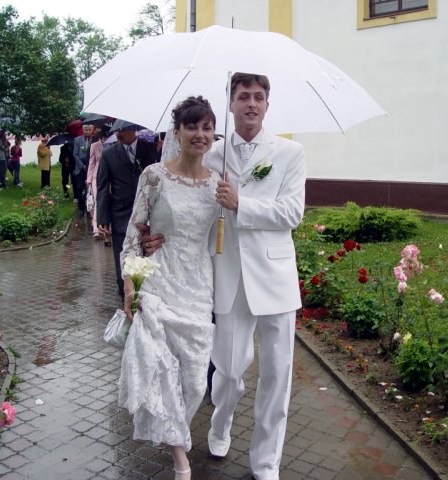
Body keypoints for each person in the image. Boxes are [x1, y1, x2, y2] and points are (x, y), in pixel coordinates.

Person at [142, 73, 306, 480]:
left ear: (267, 105)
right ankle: (220, 423)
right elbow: (183, 202)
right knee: (229, 372)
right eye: (243, 96)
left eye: (259, 97)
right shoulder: (211, 153)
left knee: (277, 376)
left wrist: (241, 204)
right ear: (230, 104)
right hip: (226, 276)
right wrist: (155, 236)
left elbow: (292, 213)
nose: (251, 104)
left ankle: (266, 462)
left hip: (275, 279)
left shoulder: (290, 153)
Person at [118, 96, 220, 480]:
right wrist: (130, 287)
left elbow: (223, 241)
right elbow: (134, 236)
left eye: (207, 127)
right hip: (159, 278)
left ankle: (174, 431)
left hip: (198, 286)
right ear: (176, 132)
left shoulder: (218, 184)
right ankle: (181, 458)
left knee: (194, 378)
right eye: (192, 127)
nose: (200, 134)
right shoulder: (154, 176)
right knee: (160, 367)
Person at [96, 121, 158, 299]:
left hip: (147, 214)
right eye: (116, 130)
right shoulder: (108, 154)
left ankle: (144, 295)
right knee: (124, 262)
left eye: (122, 130)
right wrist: (102, 218)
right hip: (120, 214)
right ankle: (125, 296)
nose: (118, 134)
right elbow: (102, 186)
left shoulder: (149, 149)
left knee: (145, 259)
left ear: (133, 130)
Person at [86, 127, 109, 242]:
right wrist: (89, 179)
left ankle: (105, 227)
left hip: (108, 177)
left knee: (105, 200)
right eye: (104, 137)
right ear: (101, 137)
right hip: (96, 176)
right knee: (97, 200)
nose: (106, 140)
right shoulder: (94, 146)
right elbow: (91, 162)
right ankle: (96, 228)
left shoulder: (111, 145)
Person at [73, 124, 93, 212]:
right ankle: (81, 208)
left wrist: (88, 166)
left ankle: (89, 209)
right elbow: (75, 154)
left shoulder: (94, 140)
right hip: (80, 168)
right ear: (83, 130)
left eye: (89, 130)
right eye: (86, 130)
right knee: (80, 188)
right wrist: (82, 166)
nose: (87, 131)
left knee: (90, 189)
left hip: (90, 167)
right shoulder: (77, 140)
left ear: (91, 130)